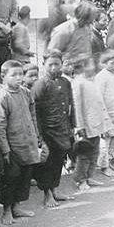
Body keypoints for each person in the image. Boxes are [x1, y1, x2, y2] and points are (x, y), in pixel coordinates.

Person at [0, 60, 40, 225]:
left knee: (24, 177)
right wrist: (5, 150)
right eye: (14, 75)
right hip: (11, 147)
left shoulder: (26, 93)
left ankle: (17, 207)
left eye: (21, 74)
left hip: (27, 144)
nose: (19, 78)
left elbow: (32, 116)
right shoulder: (2, 98)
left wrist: (36, 137)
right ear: (3, 76)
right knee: (10, 178)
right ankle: (6, 211)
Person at [32, 49, 75, 207]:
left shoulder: (65, 83)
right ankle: (47, 194)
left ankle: (55, 190)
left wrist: (72, 125)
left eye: (57, 64)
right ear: (43, 65)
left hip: (62, 129)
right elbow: (34, 112)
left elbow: (71, 105)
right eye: (50, 65)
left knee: (59, 160)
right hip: (47, 131)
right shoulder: (40, 84)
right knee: (48, 163)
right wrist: (39, 136)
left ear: (62, 64)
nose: (54, 68)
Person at [71, 55, 113, 191]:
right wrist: (80, 126)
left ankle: (89, 176)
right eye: (89, 65)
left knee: (94, 152)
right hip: (86, 124)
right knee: (85, 153)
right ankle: (80, 179)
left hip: (97, 122)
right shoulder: (78, 83)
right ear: (81, 67)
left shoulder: (92, 81)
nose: (92, 68)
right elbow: (77, 106)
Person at [94, 50, 114, 177]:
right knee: (105, 142)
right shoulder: (101, 77)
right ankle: (103, 166)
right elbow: (98, 99)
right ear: (103, 63)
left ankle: (110, 161)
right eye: (112, 63)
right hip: (106, 114)